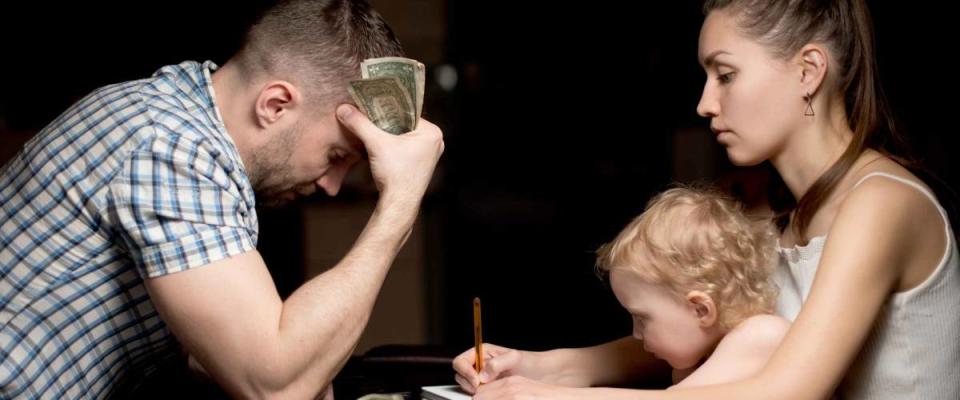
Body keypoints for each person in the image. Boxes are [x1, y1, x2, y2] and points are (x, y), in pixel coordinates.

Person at [452, 0, 960, 398]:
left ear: (808, 71)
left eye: (726, 74)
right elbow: (704, 334)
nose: (705, 103)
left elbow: (789, 387)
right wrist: (539, 367)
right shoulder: (775, 212)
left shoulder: (881, 204)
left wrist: (555, 399)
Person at [0, 0, 444, 399]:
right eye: (335, 156)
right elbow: (274, 387)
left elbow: (222, 358)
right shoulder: (172, 147)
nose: (330, 185)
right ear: (275, 104)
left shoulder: (179, 118)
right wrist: (399, 205)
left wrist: (299, 365)